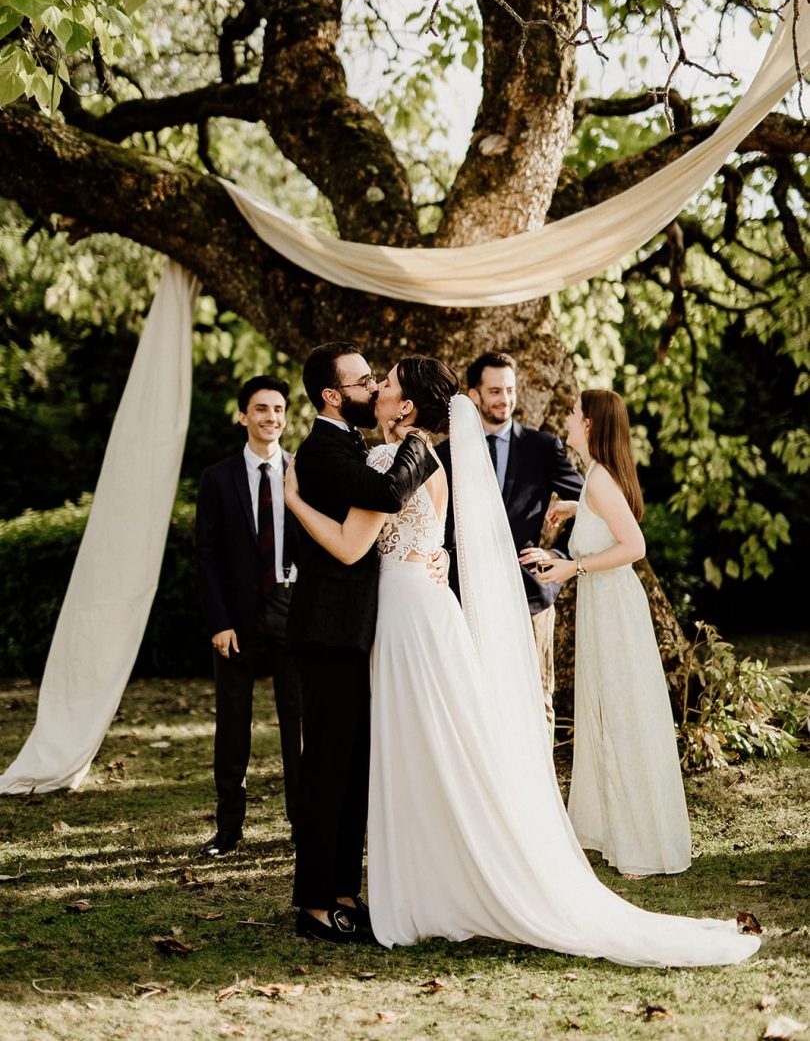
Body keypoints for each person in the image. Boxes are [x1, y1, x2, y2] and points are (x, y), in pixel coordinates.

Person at [285, 356, 760, 967]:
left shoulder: (390, 459)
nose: (377, 387)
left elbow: (356, 544)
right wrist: (439, 562)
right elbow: (425, 537)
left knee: (421, 746)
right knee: (432, 747)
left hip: (408, 618)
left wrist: (294, 500)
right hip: (418, 609)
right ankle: (428, 883)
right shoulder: (422, 456)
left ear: (406, 406)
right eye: (372, 381)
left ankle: (429, 886)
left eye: (389, 383)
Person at [286, 341, 439, 945]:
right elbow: (382, 499)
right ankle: (315, 903)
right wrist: (421, 444)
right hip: (328, 632)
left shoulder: (351, 445)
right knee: (326, 767)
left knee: (352, 768)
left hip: (358, 631)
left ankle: (345, 890)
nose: (374, 388)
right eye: (362, 381)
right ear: (332, 395)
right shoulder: (323, 448)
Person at [526, 390, 692, 877]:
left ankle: (640, 844)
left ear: (592, 426)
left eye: (576, 415)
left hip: (616, 612)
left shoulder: (598, 481)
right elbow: (608, 516)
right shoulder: (596, 481)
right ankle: (615, 828)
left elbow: (634, 545)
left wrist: (571, 567)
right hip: (607, 608)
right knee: (606, 712)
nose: (569, 420)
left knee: (622, 714)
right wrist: (578, 510)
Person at [436, 351, 582, 735]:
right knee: (472, 699)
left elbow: (589, 506)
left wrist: (557, 554)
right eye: (495, 391)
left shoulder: (542, 448)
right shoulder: (445, 454)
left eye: (510, 390)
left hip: (529, 592)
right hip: (464, 594)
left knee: (538, 698)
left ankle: (542, 793)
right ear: (474, 395)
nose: (505, 399)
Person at [196, 375, 302, 857]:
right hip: (236, 617)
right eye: (261, 409)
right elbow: (207, 555)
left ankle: (303, 825)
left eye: (278, 409)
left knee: (297, 723)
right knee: (233, 724)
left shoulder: (301, 471)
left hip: (290, 606)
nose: (271, 418)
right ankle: (228, 829)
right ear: (243, 416)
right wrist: (219, 621)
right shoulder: (217, 478)